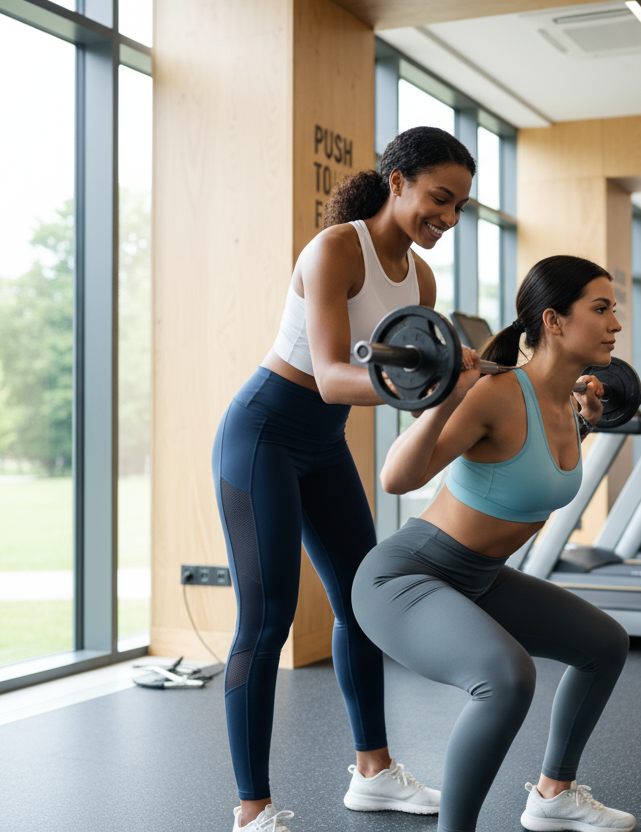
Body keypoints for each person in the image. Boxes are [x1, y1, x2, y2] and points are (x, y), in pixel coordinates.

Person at [210, 126, 476, 832]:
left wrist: (459, 375)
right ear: (397, 182)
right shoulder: (335, 249)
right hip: (263, 432)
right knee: (265, 622)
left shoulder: (421, 278)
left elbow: (412, 373)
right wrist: (429, 383)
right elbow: (331, 376)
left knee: (363, 602)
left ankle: (374, 773)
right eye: (438, 200)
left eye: (459, 208)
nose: (446, 219)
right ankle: (252, 809)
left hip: (324, 447)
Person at [352, 255, 637, 832]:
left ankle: (553, 794)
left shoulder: (569, 403)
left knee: (604, 644)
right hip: (406, 578)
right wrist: (443, 397)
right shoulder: (496, 394)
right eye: (601, 309)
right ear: (554, 320)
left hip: (479, 578)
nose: (615, 324)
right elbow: (396, 479)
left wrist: (586, 424)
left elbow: (529, 470)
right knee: (507, 680)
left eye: (614, 311)